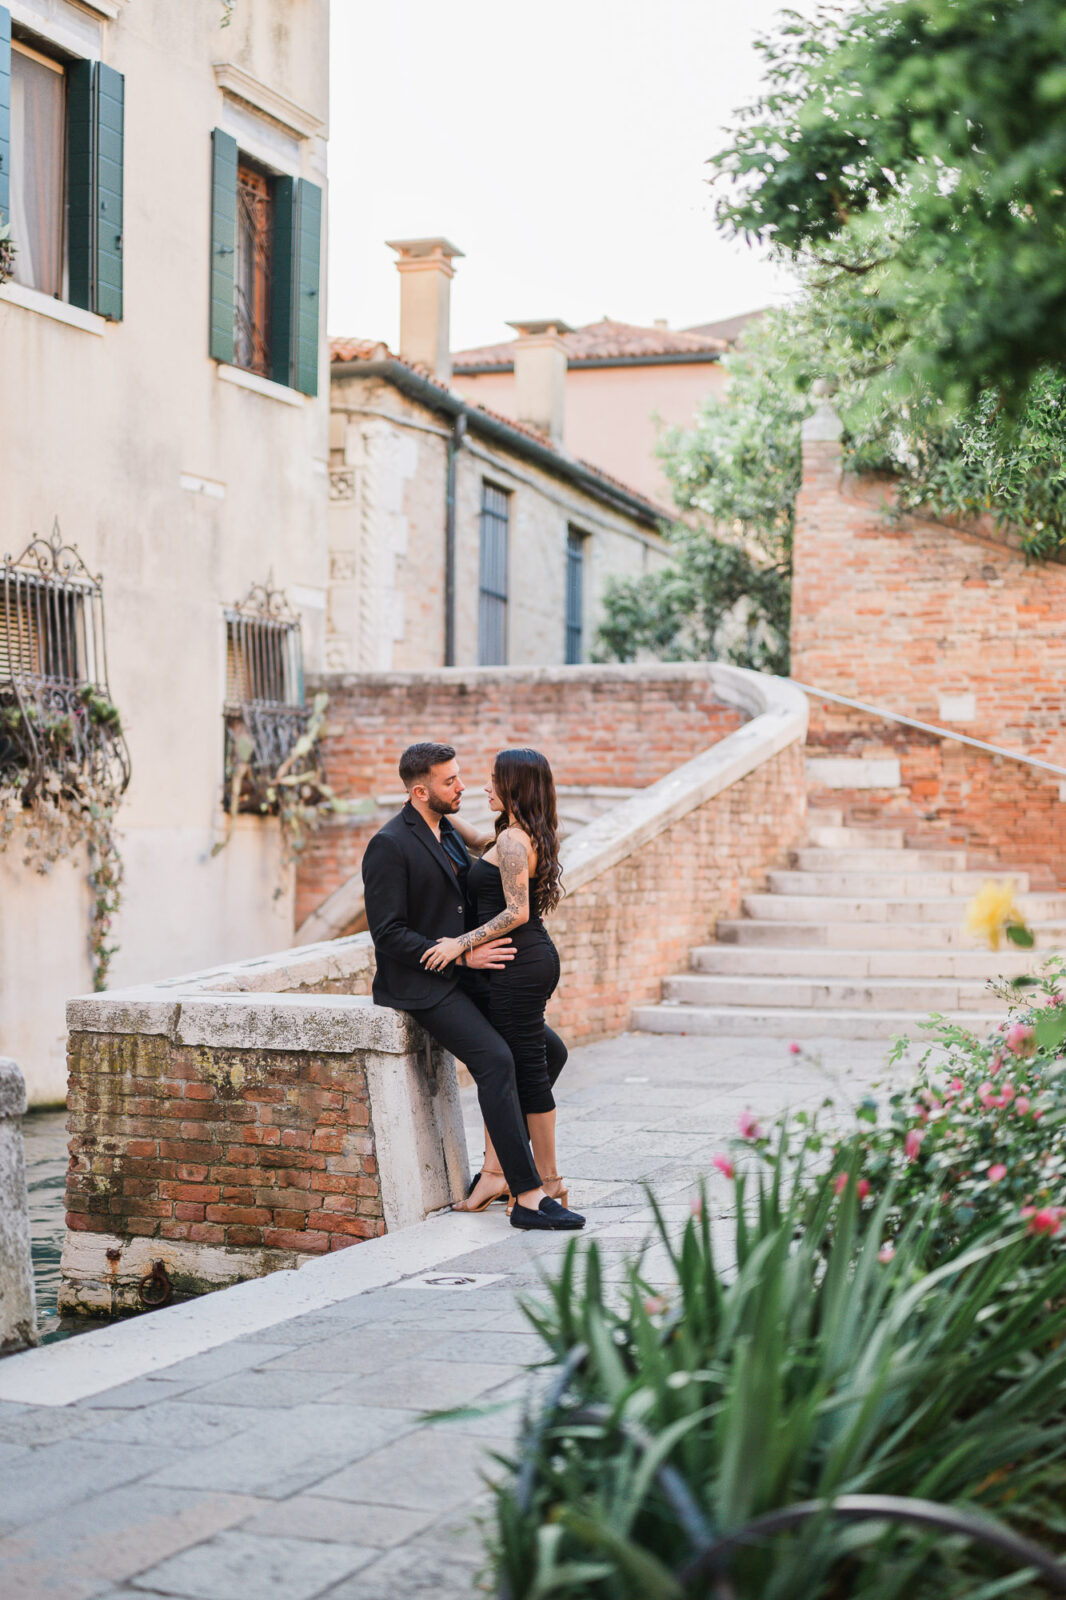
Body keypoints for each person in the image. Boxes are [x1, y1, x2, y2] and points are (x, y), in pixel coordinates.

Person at [361, 742, 585, 1232]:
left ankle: (496, 1171)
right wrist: (462, 950)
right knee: (497, 1060)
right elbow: (388, 933)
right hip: (420, 984)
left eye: (463, 777)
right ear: (420, 791)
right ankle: (527, 1196)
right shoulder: (390, 844)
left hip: (469, 973)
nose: (463, 786)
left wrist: (466, 952)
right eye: (450, 781)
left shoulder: (452, 833)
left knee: (550, 1053)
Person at [421, 747, 574, 1229]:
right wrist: (430, 812)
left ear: (515, 788)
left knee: (525, 1068)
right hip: (529, 958)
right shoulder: (514, 834)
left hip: (517, 961)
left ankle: (547, 1184)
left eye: (493, 781)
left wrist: (457, 945)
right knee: (534, 1057)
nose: (484, 788)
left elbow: (516, 913)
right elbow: (470, 836)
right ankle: (497, 1172)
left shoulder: (512, 844)